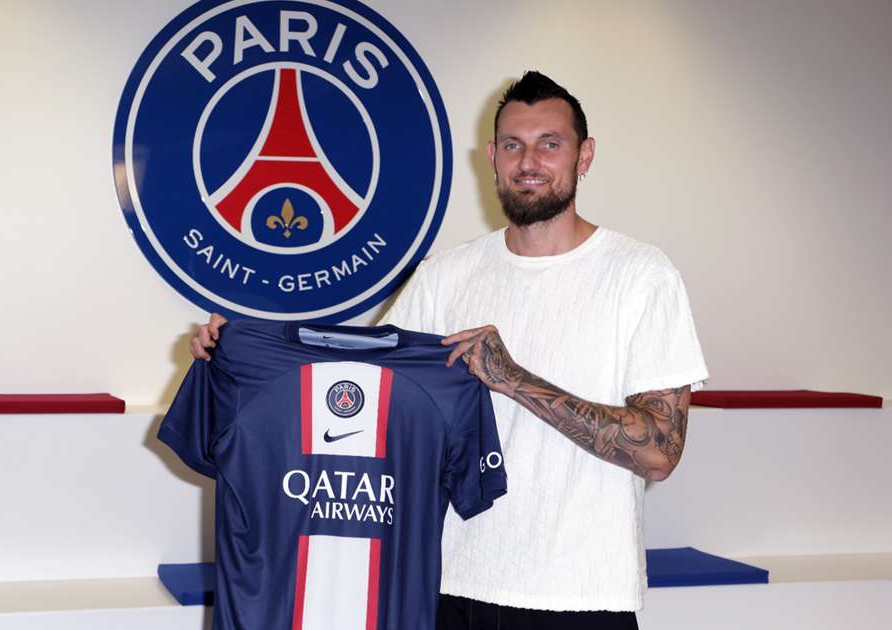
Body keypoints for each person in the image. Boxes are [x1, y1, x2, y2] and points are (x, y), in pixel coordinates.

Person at [190, 71, 707, 630]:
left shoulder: (641, 275)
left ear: (584, 155)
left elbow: (660, 449)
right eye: (513, 145)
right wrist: (234, 353)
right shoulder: (446, 275)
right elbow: (359, 387)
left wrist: (512, 379)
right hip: (451, 585)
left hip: (580, 596)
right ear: (491, 156)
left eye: (549, 144)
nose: (528, 161)